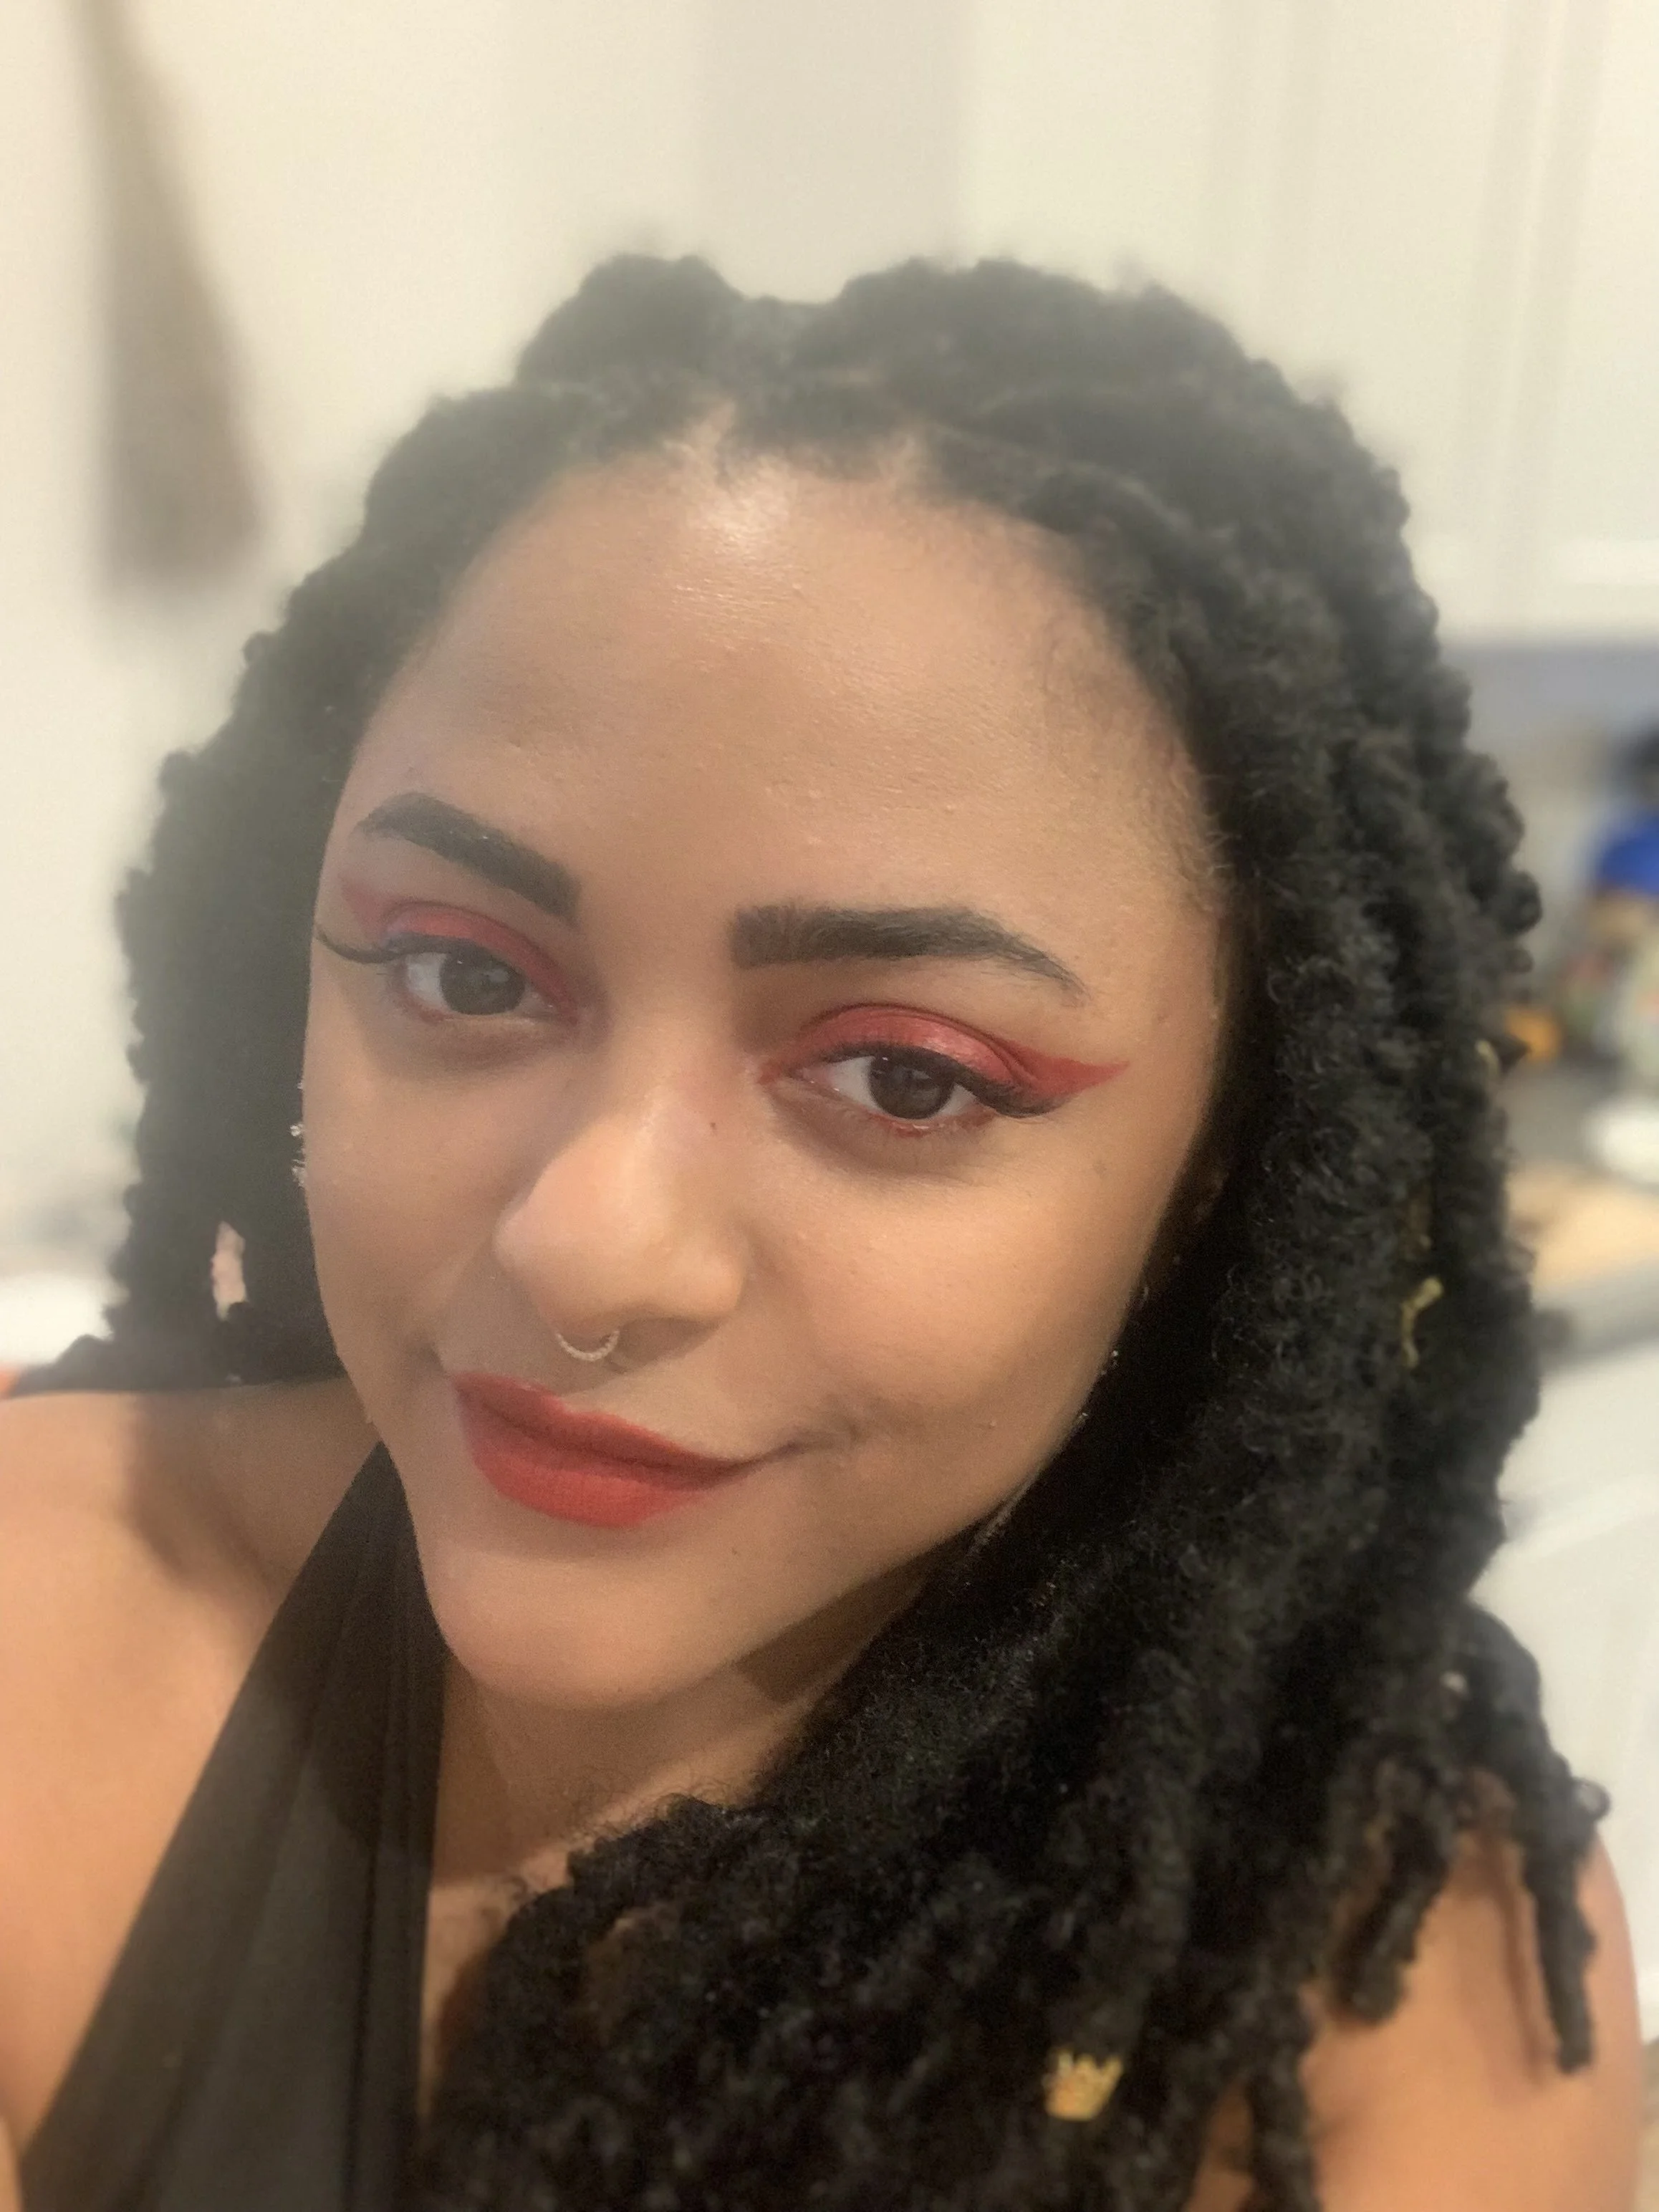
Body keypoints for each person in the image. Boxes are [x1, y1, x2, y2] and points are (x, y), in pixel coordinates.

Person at [0, 255, 1643, 2212]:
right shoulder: (46, 1617)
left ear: (1217, 1165)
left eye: (905, 1080)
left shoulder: (1359, 1953)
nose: (587, 1247)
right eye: (458, 969)